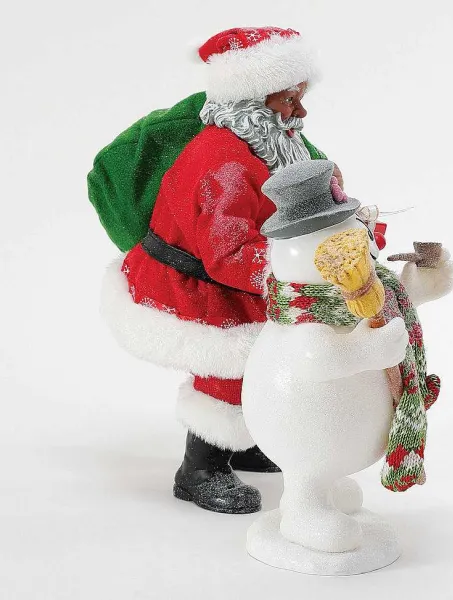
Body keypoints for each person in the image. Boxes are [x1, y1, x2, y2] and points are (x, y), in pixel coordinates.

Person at [101, 26, 338, 514]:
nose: (301, 112)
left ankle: (243, 440)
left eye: (301, 97)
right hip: (197, 284)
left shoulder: (269, 141)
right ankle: (200, 469)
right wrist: (299, 266)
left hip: (238, 274)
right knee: (230, 368)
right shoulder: (222, 162)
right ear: (252, 98)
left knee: (264, 361)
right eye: (289, 99)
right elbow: (227, 251)